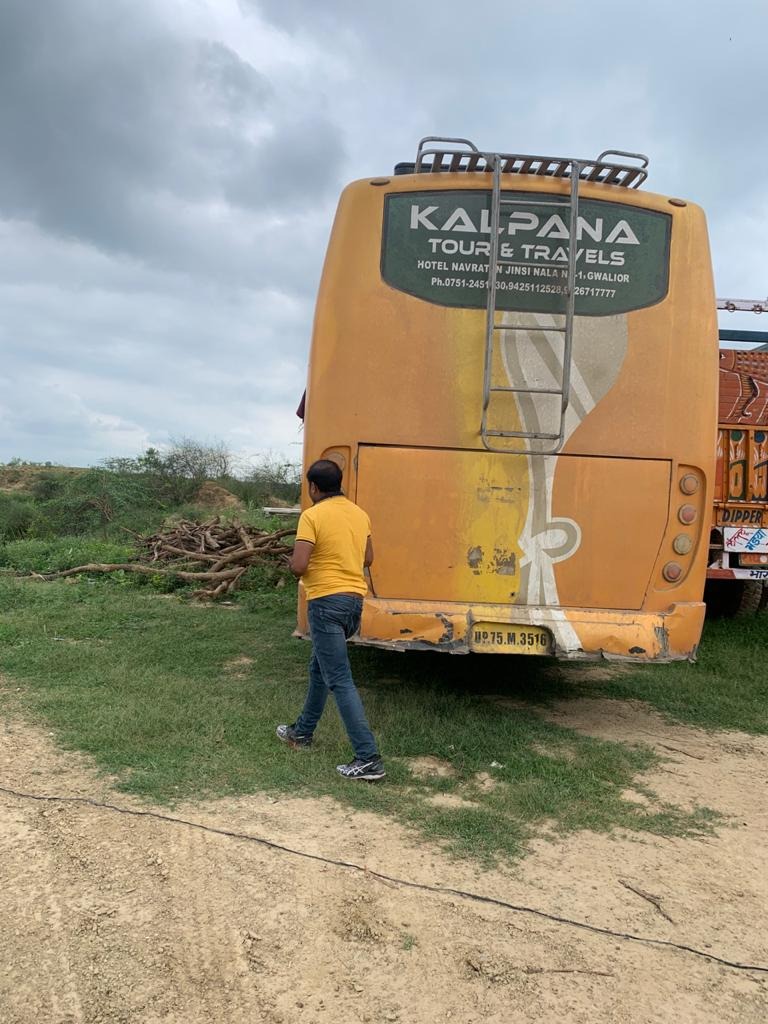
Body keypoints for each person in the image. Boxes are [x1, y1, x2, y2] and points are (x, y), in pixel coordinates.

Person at [276, 459, 385, 781]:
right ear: (339, 483)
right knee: (320, 669)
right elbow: (368, 558)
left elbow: (299, 566)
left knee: (339, 679)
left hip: (325, 602)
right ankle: (301, 732)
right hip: (353, 602)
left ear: (313, 487)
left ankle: (368, 759)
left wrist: (292, 562)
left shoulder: (312, 516)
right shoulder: (359, 513)